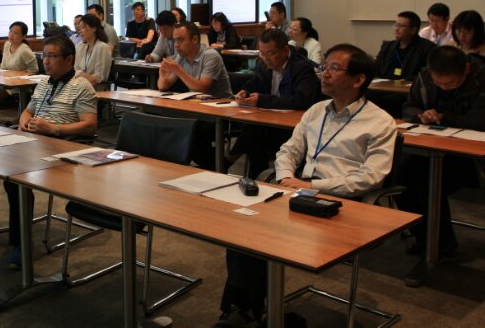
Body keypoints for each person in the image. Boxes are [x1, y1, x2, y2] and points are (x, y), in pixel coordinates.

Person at [218, 44, 397, 326]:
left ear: (358, 79)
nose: (325, 74)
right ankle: (245, 308)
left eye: (334, 68)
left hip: (342, 203)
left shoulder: (379, 122)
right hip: (298, 191)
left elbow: (369, 178)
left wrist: (311, 185)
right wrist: (285, 178)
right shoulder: (316, 111)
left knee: (264, 233)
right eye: (325, 67)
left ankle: (248, 311)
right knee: (245, 226)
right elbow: (288, 150)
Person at [0, 35, 97, 269]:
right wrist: (23, 121)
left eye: (52, 56)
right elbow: (28, 111)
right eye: (45, 56)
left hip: (61, 145)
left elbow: (90, 126)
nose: (46, 62)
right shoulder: (44, 83)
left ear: (69, 59)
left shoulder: (82, 86)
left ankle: (20, 243)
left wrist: (54, 128)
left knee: (15, 180)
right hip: (30, 139)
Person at [397, 46, 485, 257]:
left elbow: (479, 121)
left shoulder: (481, 81)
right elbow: (408, 107)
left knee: (429, 187)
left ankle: (442, 244)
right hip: (432, 146)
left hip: (470, 157)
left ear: (466, 69)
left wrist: (444, 117)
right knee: (400, 181)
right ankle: (423, 237)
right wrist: (421, 115)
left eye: (451, 84)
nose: (444, 88)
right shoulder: (425, 78)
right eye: (439, 84)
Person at [230, 29, 322, 178]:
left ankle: (232, 161)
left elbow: (301, 100)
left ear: (285, 50)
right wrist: (245, 92)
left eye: (270, 53)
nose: (266, 58)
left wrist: (262, 100)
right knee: (253, 128)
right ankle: (255, 173)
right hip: (270, 122)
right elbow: (254, 84)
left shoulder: (301, 68)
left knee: (254, 131)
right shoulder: (264, 65)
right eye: (262, 53)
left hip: (294, 128)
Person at [158, 22, 233, 170]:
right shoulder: (181, 57)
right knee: (166, 121)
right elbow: (163, 86)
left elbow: (202, 88)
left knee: (191, 130)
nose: (176, 45)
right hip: (198, 109)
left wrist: (178, 70)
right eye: (175, 40)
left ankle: (217, 165)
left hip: (221, 111)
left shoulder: (210, 56)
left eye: (180, 40)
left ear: (194, 40)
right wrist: (163, 72)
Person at [374, 11, 436, 81]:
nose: (397, 29)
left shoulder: (427, 48)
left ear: (413, 30)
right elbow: (376, 69)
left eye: (401, 26)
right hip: (383, 85)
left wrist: (409, 79)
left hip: (408, 86)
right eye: (396, 25)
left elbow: (428, 74)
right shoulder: (387, 46)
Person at [74, 14, 112, 90]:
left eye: (83, 27)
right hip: (80, 86)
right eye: (79, 28)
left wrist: (81, 75)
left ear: (94, 28)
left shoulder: (102, 47)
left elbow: (99, 76)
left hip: (96, 89)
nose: (80, 31)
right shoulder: (79, 47)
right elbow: (75, 69)